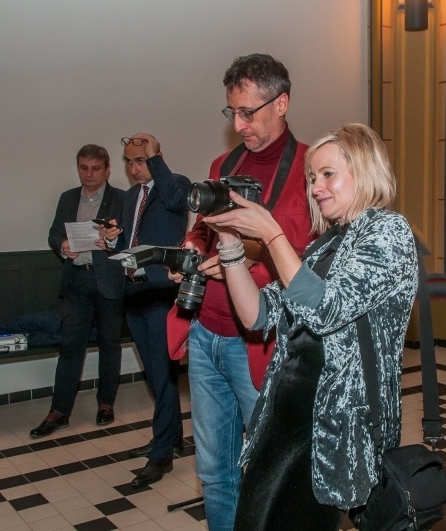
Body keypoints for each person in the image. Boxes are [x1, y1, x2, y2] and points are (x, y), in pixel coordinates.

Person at [202, 123, 419, 531]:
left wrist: (271, 233)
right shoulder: (325, 244)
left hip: (334, 425)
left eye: (328, 174)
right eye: (312, 178)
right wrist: (230, 246)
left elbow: (328, 309)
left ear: (365, 170)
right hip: (285, 413)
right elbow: (258, 317)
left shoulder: (388, 233)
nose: (316, 187)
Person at [170, 53, 313, 531]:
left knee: (276, 467)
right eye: (232, 112)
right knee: (214, 472)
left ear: (282, 103)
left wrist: (245, 251)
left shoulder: (312, 169)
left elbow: (296, 248)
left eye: (249, 112)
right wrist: (189, 251)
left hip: (258, 341)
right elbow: (201, 229)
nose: (240, 124)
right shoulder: (223, 162)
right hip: (207, 332)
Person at [113, 133, 191, 488]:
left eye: (140, 160)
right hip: (134, 293)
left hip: (161, 294)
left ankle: (161, 455)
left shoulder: (174, 186)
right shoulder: (129, 197)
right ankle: (171, 437)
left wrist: (156, 156)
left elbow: (176, 201)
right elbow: (130, 240)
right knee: (155, 374)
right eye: (129, 161)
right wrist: (111, 238)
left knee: (162, 374)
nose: (134, 168)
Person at [31, 144, 125, 438]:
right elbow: (54, 233)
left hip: (108, 280)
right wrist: (62, 246)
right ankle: (59, 411)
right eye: (84, 168)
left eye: (96, 168)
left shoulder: (121, 199)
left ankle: (106, 403)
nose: (89, 174)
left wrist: (111, 242)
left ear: (107, 169)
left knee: (110, 344)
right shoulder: (68, 198)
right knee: (71, 346)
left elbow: (131, 240)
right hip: (77, 280)